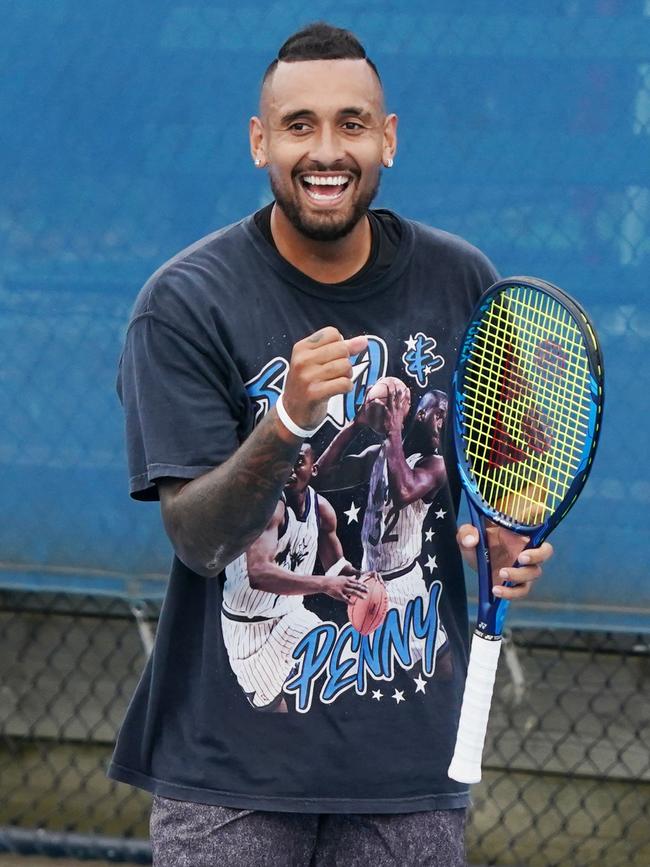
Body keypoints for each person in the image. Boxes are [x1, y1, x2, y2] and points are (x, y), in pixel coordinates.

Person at [109, 21, 553, 867]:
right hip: (229, 775)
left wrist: (504, 533)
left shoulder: (463, 282)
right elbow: (199, 538)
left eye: (351, 123)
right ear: (259, 142)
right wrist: (285, 423)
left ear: (387, 139)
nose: (326, 150)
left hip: (409, 770)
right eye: (299, 125)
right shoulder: (185, 304)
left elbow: (509, 475)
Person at [222, 442, 366, 713]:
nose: (288, 469)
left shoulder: (321, 510)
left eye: (297, 462)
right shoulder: (266, 507)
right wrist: (324, 584)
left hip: (291, 615)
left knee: (334, 647)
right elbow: (259, 574)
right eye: (281, 462)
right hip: (247, 626)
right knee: (271, 708)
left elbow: (337, 568)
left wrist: (365, 580)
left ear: (314, 469)